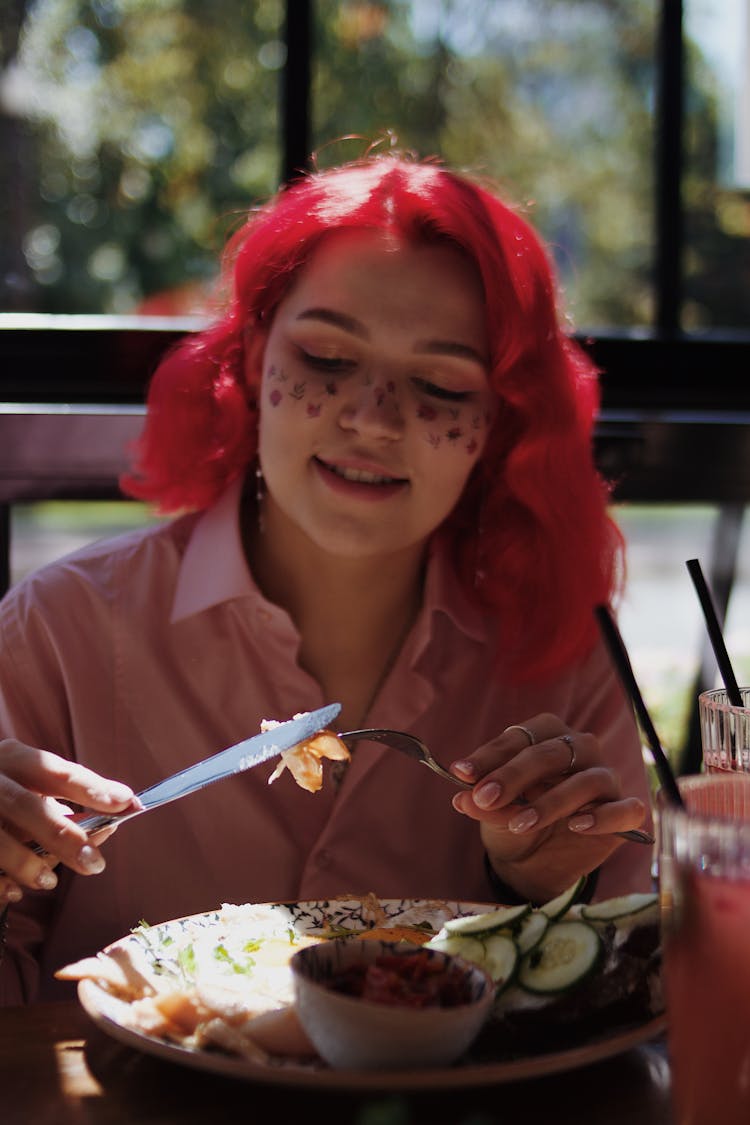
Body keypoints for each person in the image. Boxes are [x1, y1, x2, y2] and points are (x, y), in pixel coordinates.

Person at [0, 151, 653, 1005]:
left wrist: (537, 893)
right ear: (252, 357)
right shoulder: (60, 630)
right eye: (328, 358)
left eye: (438, 382)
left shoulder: (565, 655)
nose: (373, 417)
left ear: (500, 421)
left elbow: (631, 995)